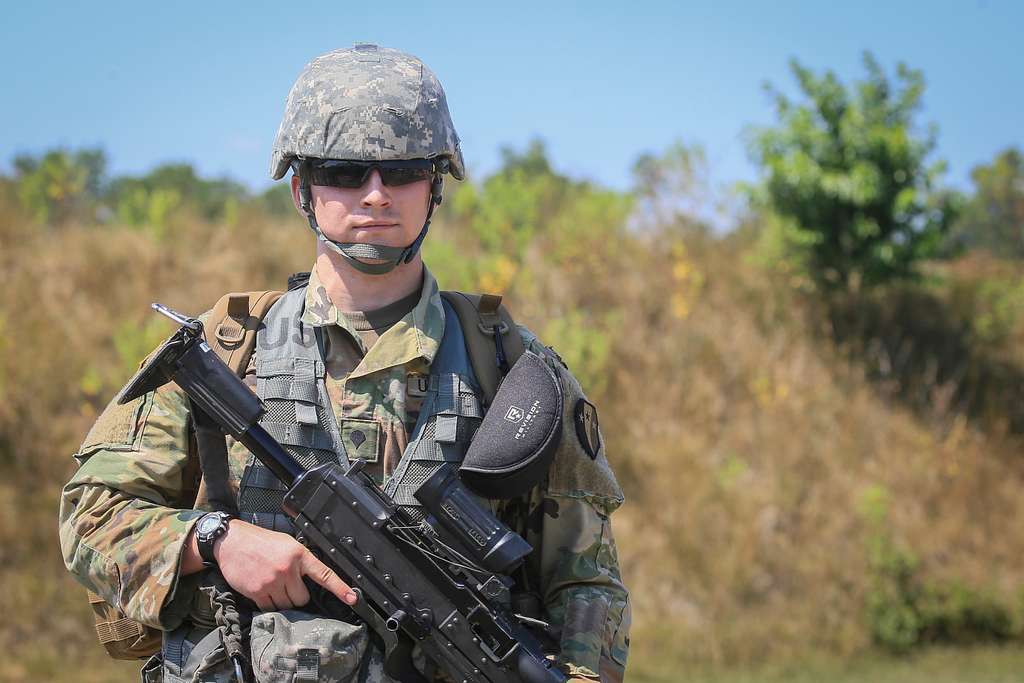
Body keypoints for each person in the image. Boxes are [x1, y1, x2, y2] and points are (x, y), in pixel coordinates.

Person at [59, 44, 629, 683]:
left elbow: (586, 580)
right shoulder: (227, 353)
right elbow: (92, 517)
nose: (377, 196)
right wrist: (217, 541)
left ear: (434, 184)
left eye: (404, 170)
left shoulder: (514, 371)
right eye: (345, 171)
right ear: (302, 187)